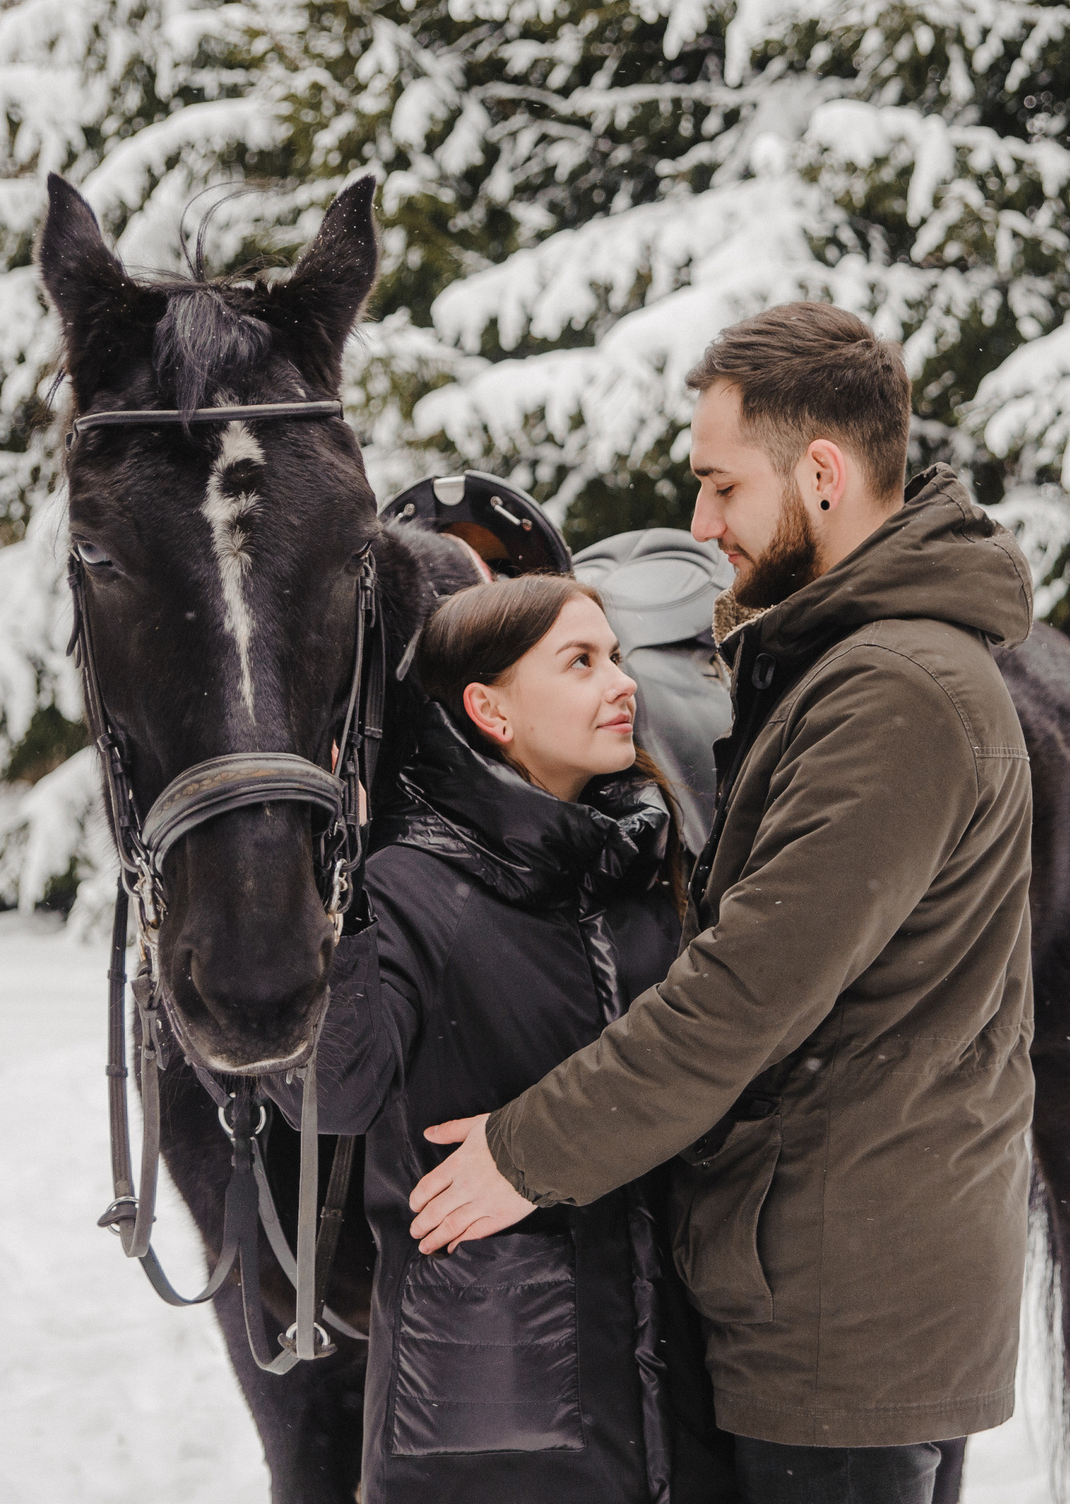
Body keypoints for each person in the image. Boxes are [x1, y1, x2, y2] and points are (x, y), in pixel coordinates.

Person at [407, 302, 1038, 1504]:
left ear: (821, 473)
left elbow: (746, 992)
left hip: (842, 1316)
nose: (700, 527)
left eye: (719, 488)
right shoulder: (852, 666)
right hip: (818, 1279)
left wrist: (524, 1154)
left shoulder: (895, 693)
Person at [276, 573, 738, 1504]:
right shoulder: (408, 886)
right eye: (581, 662)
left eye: (615, 656)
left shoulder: (647, 875)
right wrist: (341, 889)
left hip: (677, 1412)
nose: (623, 684)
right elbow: (328, 1090)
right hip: (490, 1428)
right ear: (489, 708)